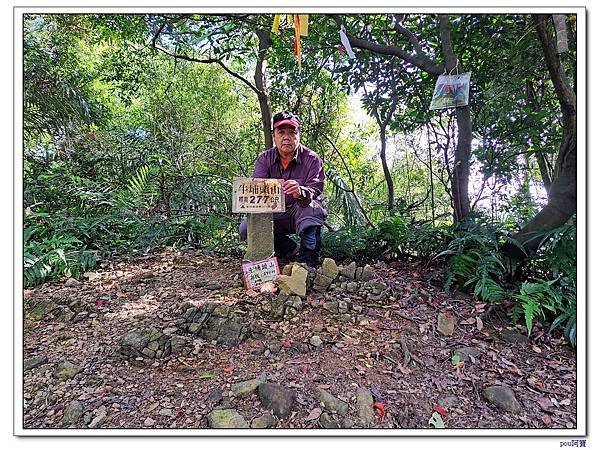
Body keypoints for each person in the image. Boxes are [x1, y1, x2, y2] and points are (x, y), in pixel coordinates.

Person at [239, 111, 327, 268]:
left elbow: (316, 188)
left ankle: (309, 257)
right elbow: (257, 192)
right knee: (246, 227)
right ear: (274, 136)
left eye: (292, 132)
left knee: (312, 207)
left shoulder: (312, 159)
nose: (287, 137)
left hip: (299, 211)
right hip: (275, 213)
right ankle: (290, 251)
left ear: (298, 134)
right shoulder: (264, 159)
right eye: (281, 132)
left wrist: (301, 192)